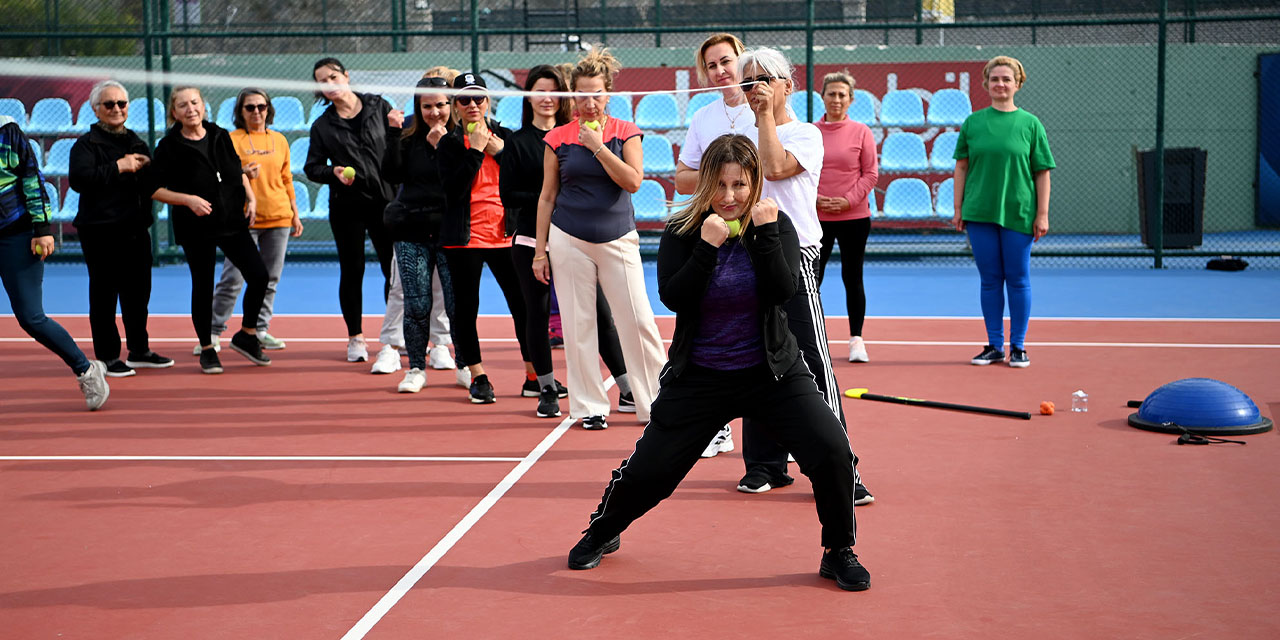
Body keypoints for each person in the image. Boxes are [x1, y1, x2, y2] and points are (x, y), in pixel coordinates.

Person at [567, 134, 871, 593]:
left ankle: (839, 550)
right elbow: (675, 297)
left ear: (755, 184)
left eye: (740, 185)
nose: (730, 196)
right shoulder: (683, 231)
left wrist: (765, 234)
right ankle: (603, 530)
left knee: (832, 452)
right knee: (652, 471)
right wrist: (707, 247)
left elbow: (783, 291)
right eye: (720, 185)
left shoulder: (776, 224)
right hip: (701, 376)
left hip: (771, 373)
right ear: (706, 184)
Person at [533, 47, 666, 430]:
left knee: (638, 321)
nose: (589, 102)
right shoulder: (557, 138)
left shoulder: (626, 131)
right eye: (582, 95)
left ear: (608, 94)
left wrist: (597, 147)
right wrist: (540, 251)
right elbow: (547, 196)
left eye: (596, 94)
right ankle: (589, 406)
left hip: (618, 239)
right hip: (567, 239)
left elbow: (633, 182)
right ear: (572, 96)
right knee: (578, 325)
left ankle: (655, 402)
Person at [501, 64, 632, 419]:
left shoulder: (574, 135)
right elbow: (510, 195)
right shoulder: (518, 142)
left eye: (553, 92)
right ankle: (545, 387)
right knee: (536, 313)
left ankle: (626, 388)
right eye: (540, 92)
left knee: (600, 313)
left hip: (576, 238)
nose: (547, 98)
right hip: (533, 238)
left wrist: (567, 199)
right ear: (529, 97)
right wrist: (554, 199)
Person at [151, 86, 272, 374]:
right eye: (183, 105)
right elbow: (153, 189)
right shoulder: (168, 146)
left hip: (231, 222)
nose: (190, 109)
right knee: (203, 286)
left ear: (203, 106)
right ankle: (207, 348)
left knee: (259, 276)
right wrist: (188, 200)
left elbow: (235, 170)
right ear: (174, 113)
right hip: (196, 227)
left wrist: (250, 196)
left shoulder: (220, 135)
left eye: (194, 102)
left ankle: (247, 335)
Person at [672, 33, 749, 457]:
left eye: (726, 61)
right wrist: (720, 176)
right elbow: (683, 178)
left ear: (742, 60)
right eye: (712, 65)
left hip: (756, 233)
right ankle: (716, 426)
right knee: (711, 326)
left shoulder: (764, 110)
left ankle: (780, 429)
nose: (720, 71)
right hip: (713, 233)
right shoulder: (703, 117)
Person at [0, 116, 109, 409]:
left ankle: (86, 370)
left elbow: (31, 178)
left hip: (16, 234)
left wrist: (42, 228)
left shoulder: (7, 132)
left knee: (31, 317)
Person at [952, 55, 1055, 368]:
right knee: (990, 280)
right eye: (994, 79)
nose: (1000, 84)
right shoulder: (973, 123)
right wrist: (958, 207)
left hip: (1019, 212)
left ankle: (1018, 346)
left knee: (1018, 279)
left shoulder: (1031, 124)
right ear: (986, 84)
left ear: (1018, 84)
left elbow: (1042, 172)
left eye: (1006, 79)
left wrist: (1042, 213)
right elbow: (961, 167)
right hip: (979, 211)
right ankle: (995, 345)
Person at [437, 71, 531, 404]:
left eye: (478, 98)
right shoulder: (448, 144)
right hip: (464, 239)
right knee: (466, 309)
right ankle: (478, 376)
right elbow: (451, 191)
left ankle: (534, 375)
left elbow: (527, 181)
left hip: (506, 235)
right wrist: (476, 152)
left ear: (488, 102)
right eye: (464, 99)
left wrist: (502, 153)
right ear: (455, 105)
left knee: (523, 307)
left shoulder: (506, 136)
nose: (472, 104)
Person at [305, 57, 406, 370]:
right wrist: (333, 172)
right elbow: (312, 167)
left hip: (386, 203)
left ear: (346, 76)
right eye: (322, 81)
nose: (329, 84)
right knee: (352, 271)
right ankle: (356, 338)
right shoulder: (322, 126)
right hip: (346, 206)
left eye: (333, 77)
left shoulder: (379, 106)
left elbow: (397, 144)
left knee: (393, 272)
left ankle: (394, 335)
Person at [68, 80, 174, 377]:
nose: (116, 109)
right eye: (109, 104)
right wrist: (119, 166)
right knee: (104, 296)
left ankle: (139, 350)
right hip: (100, 231)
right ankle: (107, 357)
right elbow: (79, 179)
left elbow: (151, 184)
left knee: (138, 294)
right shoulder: (85, 145)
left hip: (135, 230)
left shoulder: (136, 142)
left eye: (121, 103)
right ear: (96, 109)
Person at [202, 88, 303, 356]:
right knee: (232, 278)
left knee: (270, 278)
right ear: (241, 112)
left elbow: (286, 178)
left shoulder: (279, 140)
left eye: (261, 106)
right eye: (250, 107)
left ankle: (257, 330)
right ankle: (213, 332)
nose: (257, 112)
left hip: (279, 216)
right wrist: (241, 172)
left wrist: (294, 212)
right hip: (243, 219)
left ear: (268, 109)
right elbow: (218, 176)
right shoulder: (230, 139)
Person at [380, 75, 458, 393]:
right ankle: (415, 368)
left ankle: (467, 365)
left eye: (441, 105)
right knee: (416, 303)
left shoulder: (461, 138)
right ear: (418, 107)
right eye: (427, 106)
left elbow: (461, 179)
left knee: (456, 304)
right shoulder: (406, 138)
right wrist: (392, 133)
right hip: (412, 230)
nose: (435, 112)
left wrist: (443, 147)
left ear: (451, 105)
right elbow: (391, 173)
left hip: (452, 231)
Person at [813, 70, 878, 363]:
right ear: (823, 97)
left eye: (842, 95)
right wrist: (816, 200)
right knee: (812, 280)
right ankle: (811, 340)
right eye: (831, 94)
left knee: (853, 277)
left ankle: (856, 341)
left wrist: (847, 201)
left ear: (850, 99)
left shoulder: (862, 132)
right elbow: (802, 172)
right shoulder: (811, 132)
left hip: (855, 218)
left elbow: (870, 174)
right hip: (817, 218)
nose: (836, 99)